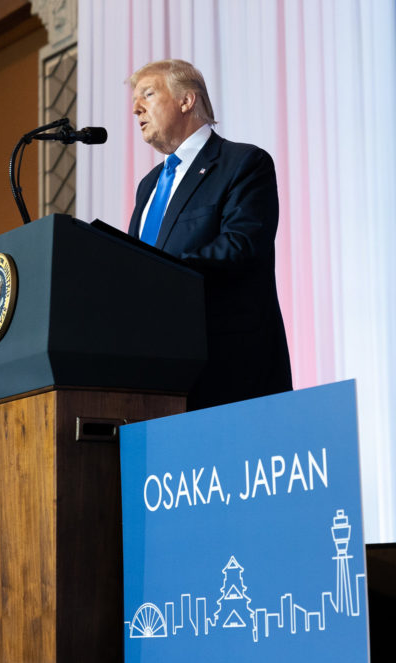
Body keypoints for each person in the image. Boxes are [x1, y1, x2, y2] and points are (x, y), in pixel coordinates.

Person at [123, 58, 292, 410]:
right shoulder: (149, 186)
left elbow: (241, 246)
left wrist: (160, 275)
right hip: (155, 374)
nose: (136, 108)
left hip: (227, 372)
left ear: (187, 100)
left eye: (147, 94)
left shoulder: (243, 163)